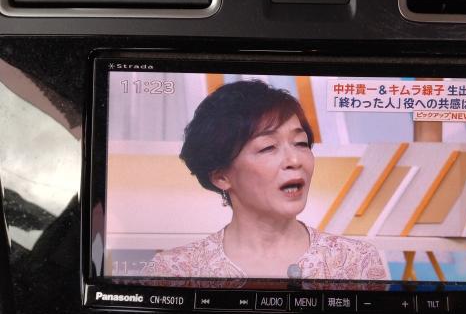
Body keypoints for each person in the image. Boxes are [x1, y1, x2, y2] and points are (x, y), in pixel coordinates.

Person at [143, 80, 386, 280]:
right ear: (221, 176)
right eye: (268, 147)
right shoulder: (174, 271)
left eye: (301, 143)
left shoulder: (356, 261)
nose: (295, 160)